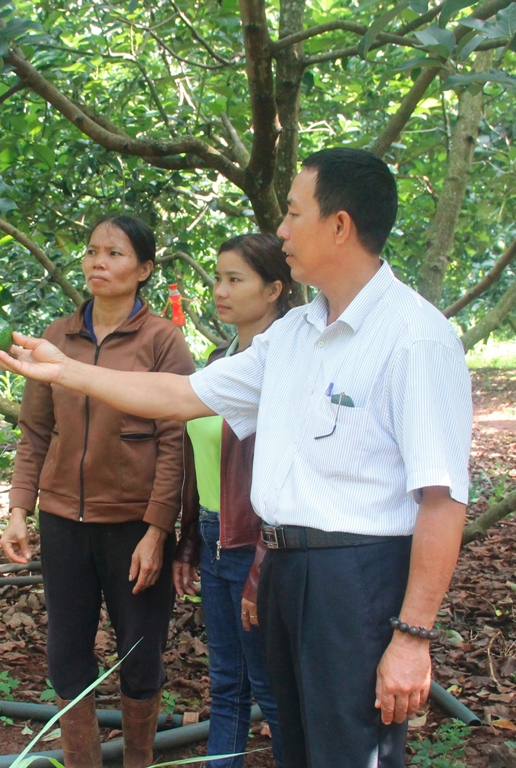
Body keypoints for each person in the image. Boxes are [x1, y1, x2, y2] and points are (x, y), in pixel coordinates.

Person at [0, 148, 472, 768]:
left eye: (294, 215)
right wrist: (70, 372)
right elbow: (182, 395)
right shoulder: (294, 335)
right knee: (296, 748)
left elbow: (442, 496)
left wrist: (412, 635)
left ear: (340, 225)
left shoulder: (415, 336)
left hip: (358, 578)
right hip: (283, 570)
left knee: (351, 752)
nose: (283, 232)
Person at [0, 215, 195, 768]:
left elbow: (174, 442)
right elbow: (36, 431)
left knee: (139, 657)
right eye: (91, 252)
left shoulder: (162, 340)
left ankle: (138, 760)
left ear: (145, 269)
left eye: (114, 253)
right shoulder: (57, 337)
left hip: (134, 527)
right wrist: (19, 509)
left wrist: (158, 531)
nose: (98, 262)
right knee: (66, 656)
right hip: (62, 522)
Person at [173, 234, 289, 767]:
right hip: (217, 537)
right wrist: (190, 540)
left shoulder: (286, 367)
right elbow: (201, 460)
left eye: (235, 279)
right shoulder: (222, 362)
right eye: (217, 278)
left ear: (274, 290)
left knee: (271, 688)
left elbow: (286, 477)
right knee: (225, 684)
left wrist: (261, 568)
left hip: (258, 543)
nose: (219, 290)